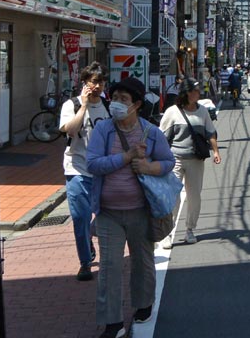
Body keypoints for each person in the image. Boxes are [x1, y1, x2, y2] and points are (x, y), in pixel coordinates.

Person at [86, 77, 175, 338]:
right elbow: (93, 164)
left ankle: (144, 304)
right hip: (108, 212)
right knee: (109, 267)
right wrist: (126, 157)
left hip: (141, 209)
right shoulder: (104, 130)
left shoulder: (151, 132)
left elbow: (168, 162)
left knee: (143, 262)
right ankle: (112, 323)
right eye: (115, 98)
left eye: (124, 100)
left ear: (136, 104)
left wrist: (148, 167)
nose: (117, 104)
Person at [58, 62, 110, 281]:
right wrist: (84, 106)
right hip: (77, 169)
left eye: (100, 82)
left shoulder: (108, 106)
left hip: (104, 170)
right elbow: (70, 131)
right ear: (85, 83)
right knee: (80, 217)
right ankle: (85, 262)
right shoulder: (71, 105)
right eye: (92, 82)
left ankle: (92, 239)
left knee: (106, 215)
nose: (96, 86)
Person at [158, 78, 221, 249]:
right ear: (186, 93)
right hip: (175, 159)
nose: (198, 93)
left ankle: (190, 229)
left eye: (198, 90)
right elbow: (162, 137)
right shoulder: (172, 112)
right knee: (173, 197)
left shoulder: (203, 112)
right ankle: (167, 233)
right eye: (194, 90)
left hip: (196, 160)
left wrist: (215, 151)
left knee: (195, 197)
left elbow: (210, 133)